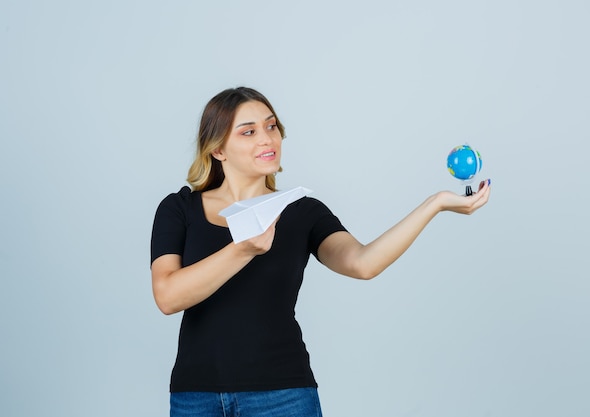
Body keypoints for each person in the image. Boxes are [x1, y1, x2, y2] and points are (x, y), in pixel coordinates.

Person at [150, 86, 491, 417]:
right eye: (248, 132)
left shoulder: (303, 212)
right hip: (195, 397)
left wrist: (435, 205)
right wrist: (242, 250)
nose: (267, 139)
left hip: (282, 395)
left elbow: (363, 263)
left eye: (271, 126)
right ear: (218, 149)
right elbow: (168, 296)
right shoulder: (180, 209)